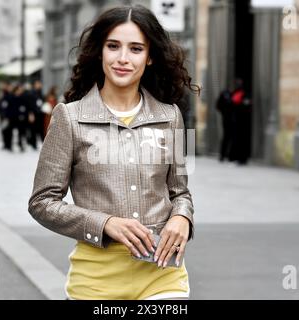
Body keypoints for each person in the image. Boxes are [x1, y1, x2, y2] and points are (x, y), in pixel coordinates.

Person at [28, 4, 200, 300]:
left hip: (162, 275)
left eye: (135, 49)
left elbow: (180, 193)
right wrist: (104, 223)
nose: (123, 58)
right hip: (96, 278)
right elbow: (42, 202)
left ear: (149, 58)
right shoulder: (68, 118)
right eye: (113, 46)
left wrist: (183, 218)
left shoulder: (171, 116)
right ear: (99, 52)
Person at [216, 88, 233, 162]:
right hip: (227, 118)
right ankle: (223, 155)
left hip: (231, 118)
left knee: (231, 137)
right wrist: (224, 112)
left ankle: (229, 155)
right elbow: (218, 106)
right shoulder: (224, 93)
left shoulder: (234, 93)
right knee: (226, 137)